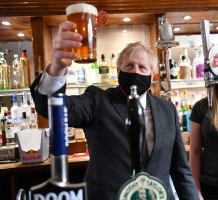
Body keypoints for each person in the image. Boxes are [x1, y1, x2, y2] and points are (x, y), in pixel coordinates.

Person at [30, 21, 199, 200]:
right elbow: (49, 107)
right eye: (129, 66)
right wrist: (57, 67)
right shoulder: (97, 100)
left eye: (142, 67)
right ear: (118, 71)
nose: (135, 71)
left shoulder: (167, 110)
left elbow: (180, 170)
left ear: (152, 75)